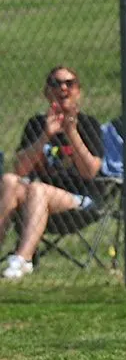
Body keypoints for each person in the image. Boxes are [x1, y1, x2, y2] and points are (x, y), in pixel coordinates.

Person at [0, 66, 105, 280]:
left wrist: (71, 132)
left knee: (38, 189)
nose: (63, 88)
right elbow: (20, 170)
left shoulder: (89, 125)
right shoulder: (36, 124)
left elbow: (90, 172)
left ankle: (22, 259)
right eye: (56, 83)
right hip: (34, 205)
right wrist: (45, 136)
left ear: (78, 91)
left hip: (79, 202)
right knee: (9, 180)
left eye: (69, 83)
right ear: (47, 92)